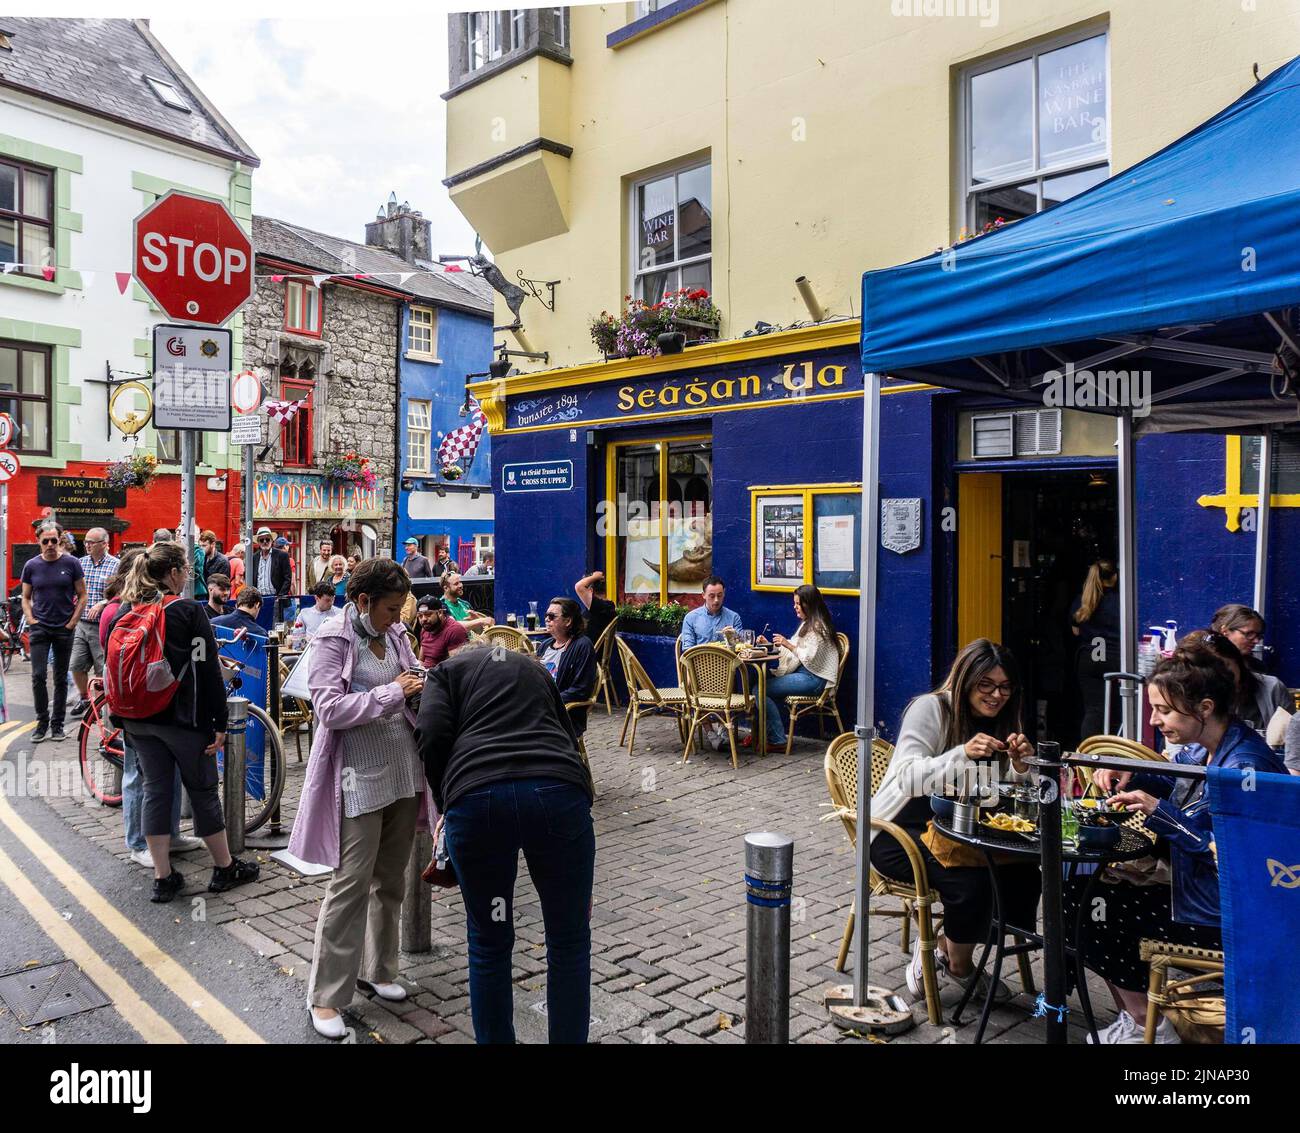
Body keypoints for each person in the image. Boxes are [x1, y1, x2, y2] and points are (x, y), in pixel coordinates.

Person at [1069, 644, 1286, 1043]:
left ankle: (1143, 1025)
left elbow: (1231, 862)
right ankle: (1137, 1017)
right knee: (1079, 888)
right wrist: (1134, 775)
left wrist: (1161, 813)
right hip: (1204, 896)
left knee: (1089, 907)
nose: (1154, 720)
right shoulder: (1210, 745)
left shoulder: (1244, 768)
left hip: (1235, 918)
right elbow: (1177, 783)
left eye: (1164, 710)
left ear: (1204, 708)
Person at [416, 638, 595, 1044]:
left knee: (489, 941)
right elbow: (569, 734)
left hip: (478, 802)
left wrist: (449, 800)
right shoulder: (534, 669)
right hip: (556, 792)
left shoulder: (443, 673)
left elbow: (430, 734)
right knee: (568, 941)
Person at [289, 558, 432, 1040]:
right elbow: (327, 708)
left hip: (403, 772)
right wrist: (392, 693)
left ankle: (379, 968)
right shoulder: (333, 637)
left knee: (390, 880)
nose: (398, 618)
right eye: (391, 609)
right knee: (350, 885)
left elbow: (410, 676)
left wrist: (419, 684)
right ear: (364, 602)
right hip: (357, 779)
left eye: (401, 610)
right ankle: (327, 996)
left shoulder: (394, 635)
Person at [871, 639, 1039, 1003]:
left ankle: (944, 947)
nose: (997, 695)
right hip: (900, 830)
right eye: (987, 685)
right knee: (971, 880)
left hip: (965, 832)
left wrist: (1023, 769)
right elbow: (907, 778)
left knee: (1025, 873)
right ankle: (961, 966)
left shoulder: (1004, 719)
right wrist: (960, 753)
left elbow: (1007, 792)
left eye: (1006, 687)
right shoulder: (931, 709)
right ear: (966, 680)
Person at [106, 542, 260, 902]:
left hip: (137, 721)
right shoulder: (188, 611)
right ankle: (223, 868)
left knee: (155, 791)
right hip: (182, 721)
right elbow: (207, 670)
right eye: (187, 571)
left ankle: (163, 877)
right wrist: (219, 722)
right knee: (203, 790)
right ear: (174, 573)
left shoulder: (127, 612)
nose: (188, 577)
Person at [100, 550, 202, 866]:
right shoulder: (123, 612)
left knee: (162, 774)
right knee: (137, 773)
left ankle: (168, 835)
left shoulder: (144, 610)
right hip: (136, 705)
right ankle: (137, 842)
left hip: (144, 704)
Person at [21, 522, 87, 743]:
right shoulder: (31, 565)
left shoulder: (72, 563)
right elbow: (25, 597)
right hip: (40, 627)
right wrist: (31, 619)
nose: (50, 544)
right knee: (38, 676)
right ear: (38, 542)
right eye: (45, 541)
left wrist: (72, 623)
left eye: (53, 540)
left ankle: (57, 725)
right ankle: (42, 723)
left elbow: (82, 595)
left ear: (60, 540)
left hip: (63, 629)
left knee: (60, 678)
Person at [756, 584, 840, 748]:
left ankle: (777, 739)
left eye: (797, 603)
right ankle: (765, 734)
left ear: (807, 604)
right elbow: (795, 650)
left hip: (814, 679)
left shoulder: (819, 627)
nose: (794, 607)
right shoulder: (808, 623)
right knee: (758, 684)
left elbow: (807, 657)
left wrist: (787, 644)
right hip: (805, 674)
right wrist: (769, 645)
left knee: (759, 690)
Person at [1208, 604, 1290, 730]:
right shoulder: (1200, 675)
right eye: (1249, 634)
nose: (1256, 641)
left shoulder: (1268, 682)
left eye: (1259, 636)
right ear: (1225, 631)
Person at [69, 527, 119, 720]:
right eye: (86, 542)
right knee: (76, 665)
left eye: (92, 542)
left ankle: (104, 705)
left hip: (103, 625)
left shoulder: (116, 565)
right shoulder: (80, 564)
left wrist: (104, 602)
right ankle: (85, 698)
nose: (87, 545)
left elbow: (121, 594)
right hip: (81, 623)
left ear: (105, 544)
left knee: (102, 669)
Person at [1071, 559, 1120, 738]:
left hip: (1089, 659)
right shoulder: (1121, 601)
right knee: (1118, 711)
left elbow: (1075, 631)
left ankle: (1088, 758)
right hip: (1115, 660)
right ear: (1115, 577)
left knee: (1094, 711)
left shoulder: (1083, 600)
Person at [537, 598, 597, 737]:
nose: (547, 619)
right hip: (540, 706)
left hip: (563, 714)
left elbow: (581, 689)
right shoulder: (545, 645)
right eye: (546, 615)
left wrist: (549, 699)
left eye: (552, 617)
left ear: (568, 621)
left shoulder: (582, 646)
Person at [679, 576, 744, 648]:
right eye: (712, 596)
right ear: (703, 595)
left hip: (727, 658)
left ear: (724, 593)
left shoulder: (734, 617)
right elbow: (687, 649)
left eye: (719, 595)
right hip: (699, 658)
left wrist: (733, 638)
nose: (716, 600)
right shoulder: (691, 618)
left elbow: (741, 648)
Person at [416, 594, 468, 668]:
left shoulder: (454, 630)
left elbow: (456, 667)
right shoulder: (425, 628)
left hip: (441, 676)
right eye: (420, 616)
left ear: (440, 613)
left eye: (428, 614)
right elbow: (421, 660)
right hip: (425, 673)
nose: (423, 619)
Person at [575, 570, 616, 645]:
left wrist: (595, 577)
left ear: (590, 590)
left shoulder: (601, 606)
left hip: (590, 652)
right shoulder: (603, 606)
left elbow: (579, 587)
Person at [248, 528, 292, 597]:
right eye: (262, 540)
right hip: (258, 598)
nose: (265, 542)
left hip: (276, 597)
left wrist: (280, 596)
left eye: (267, 539)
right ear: (258, 542)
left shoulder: (282, 555)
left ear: (272, 541)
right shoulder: (254, 558)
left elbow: (287, 578)